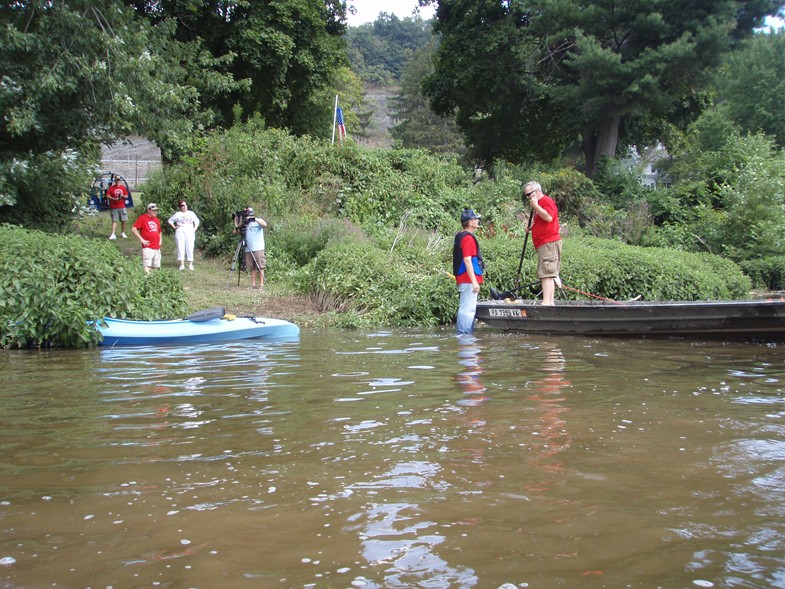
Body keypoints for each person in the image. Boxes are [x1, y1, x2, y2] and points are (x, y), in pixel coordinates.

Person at [525, 181, 561, 305]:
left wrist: (535, 206)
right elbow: (543, 221)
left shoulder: (546, 201)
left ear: (537, 191)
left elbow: (549, 217)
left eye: (529, 194)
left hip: (549, 243)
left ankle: (547, 302)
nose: (528, 197)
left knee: (546, 273)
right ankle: (549, 302)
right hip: (544, 243)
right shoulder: (540, 204)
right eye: (527, 195)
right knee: (547, 273)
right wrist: (532, 228)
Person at [453, 209, 484, 334]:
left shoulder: (461, 235)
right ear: (470, 222)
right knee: (467, 309)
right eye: (476, 219)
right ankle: (465, 338)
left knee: (467, 308)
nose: (478, 221)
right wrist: (474, 281)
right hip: (468, 279)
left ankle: (465, 337)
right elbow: (467, 260)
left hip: (465, 279)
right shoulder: (467, 238)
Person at [168, 200, 200, 271]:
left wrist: (194, 228)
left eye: (185, 205)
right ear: (180, 207)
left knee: (190, 247)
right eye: (182, 205)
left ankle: (190, 264)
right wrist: (174, 227)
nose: (184, 206)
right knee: (180, 246)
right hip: (180, 231)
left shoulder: (191, 213)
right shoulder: (178, 214)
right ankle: (181, 265)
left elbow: (197, 221)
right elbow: (170, 220)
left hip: (190, 231)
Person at [131, 203, 162, 274]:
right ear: (148, 210)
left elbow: (159, 231)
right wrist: (141, 239)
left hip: (156, 246)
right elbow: (134, 229)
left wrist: (160, 240)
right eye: (153, 210)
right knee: (147, 264)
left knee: (156, 265)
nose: (155, 212)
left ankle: (154, 278)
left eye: (156, 210)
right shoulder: (142, 218)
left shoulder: (156, 220)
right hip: (148, 246)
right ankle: (147, 277)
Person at [243, 208, 268, 289]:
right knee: (252, 267)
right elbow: (237, 230)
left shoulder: (258, 221)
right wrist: (238, 219)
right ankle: (253, 284)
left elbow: (264, 224)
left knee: (260, 266)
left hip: (258, 248)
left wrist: (254, 219)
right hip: (248, 248)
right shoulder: (245, 223)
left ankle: (261, 284)